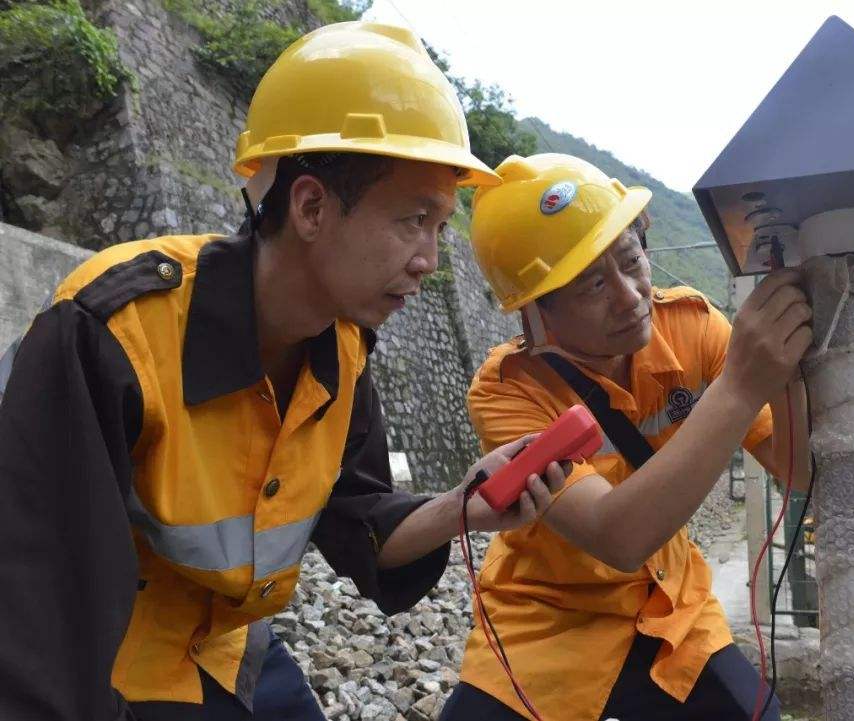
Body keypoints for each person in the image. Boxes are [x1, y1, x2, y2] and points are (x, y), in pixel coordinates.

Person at [0, 23, 565, 721]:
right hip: (105, 656)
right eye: (414, 220)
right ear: (310, 206)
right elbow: (43, 601)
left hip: (229, 648)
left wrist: (463, 506)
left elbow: (358, 519)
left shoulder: (344, 349)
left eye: (440, 228)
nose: (428, 258)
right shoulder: (115, 331)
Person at [439, 153, 812, 721]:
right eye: (592, 283)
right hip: (547, 622)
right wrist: (739, 386)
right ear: (536, 313)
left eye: (631, 258)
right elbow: (616, 536)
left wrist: (796, 371)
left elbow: (797, 468)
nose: (630, 295)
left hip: (674, 608)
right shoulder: (508, 392)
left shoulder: (693, 327)